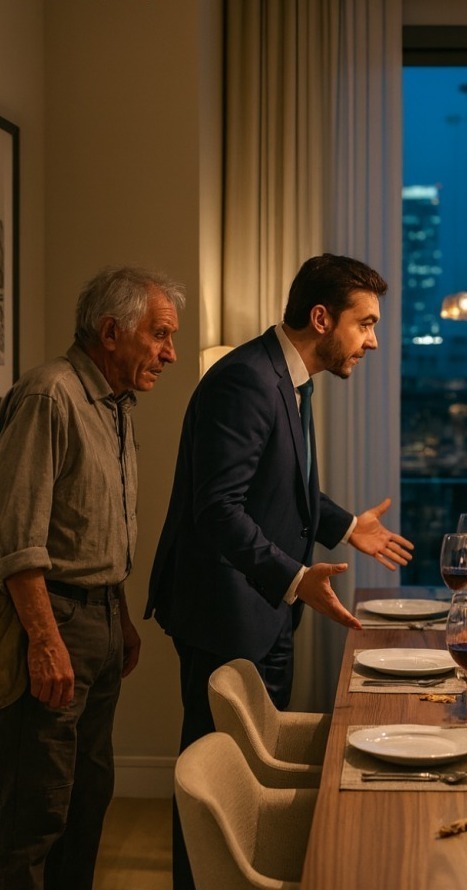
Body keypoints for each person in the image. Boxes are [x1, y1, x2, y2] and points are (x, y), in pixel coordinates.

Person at [145, 253, 414, 890]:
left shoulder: (287, 377)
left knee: (246, 795)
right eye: (365, 324)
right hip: (225, 615)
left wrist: (344, 526)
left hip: (261, 612)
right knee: (217, 802)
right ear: (322, 319)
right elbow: (218, 509)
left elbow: (284, 488)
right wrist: (296, 578)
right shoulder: (246, 380)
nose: (374, 341)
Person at [0, 266, 185, 890]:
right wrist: (45, 641)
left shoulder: (116, 406)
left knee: (88, 795)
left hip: (102, 618)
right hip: (55, 620)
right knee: (38, 805)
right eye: (159, 334)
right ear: (111, 332)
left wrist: (120, 615)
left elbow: (92, 531)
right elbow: (18, 540)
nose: (170, 353)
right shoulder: (49, 396)